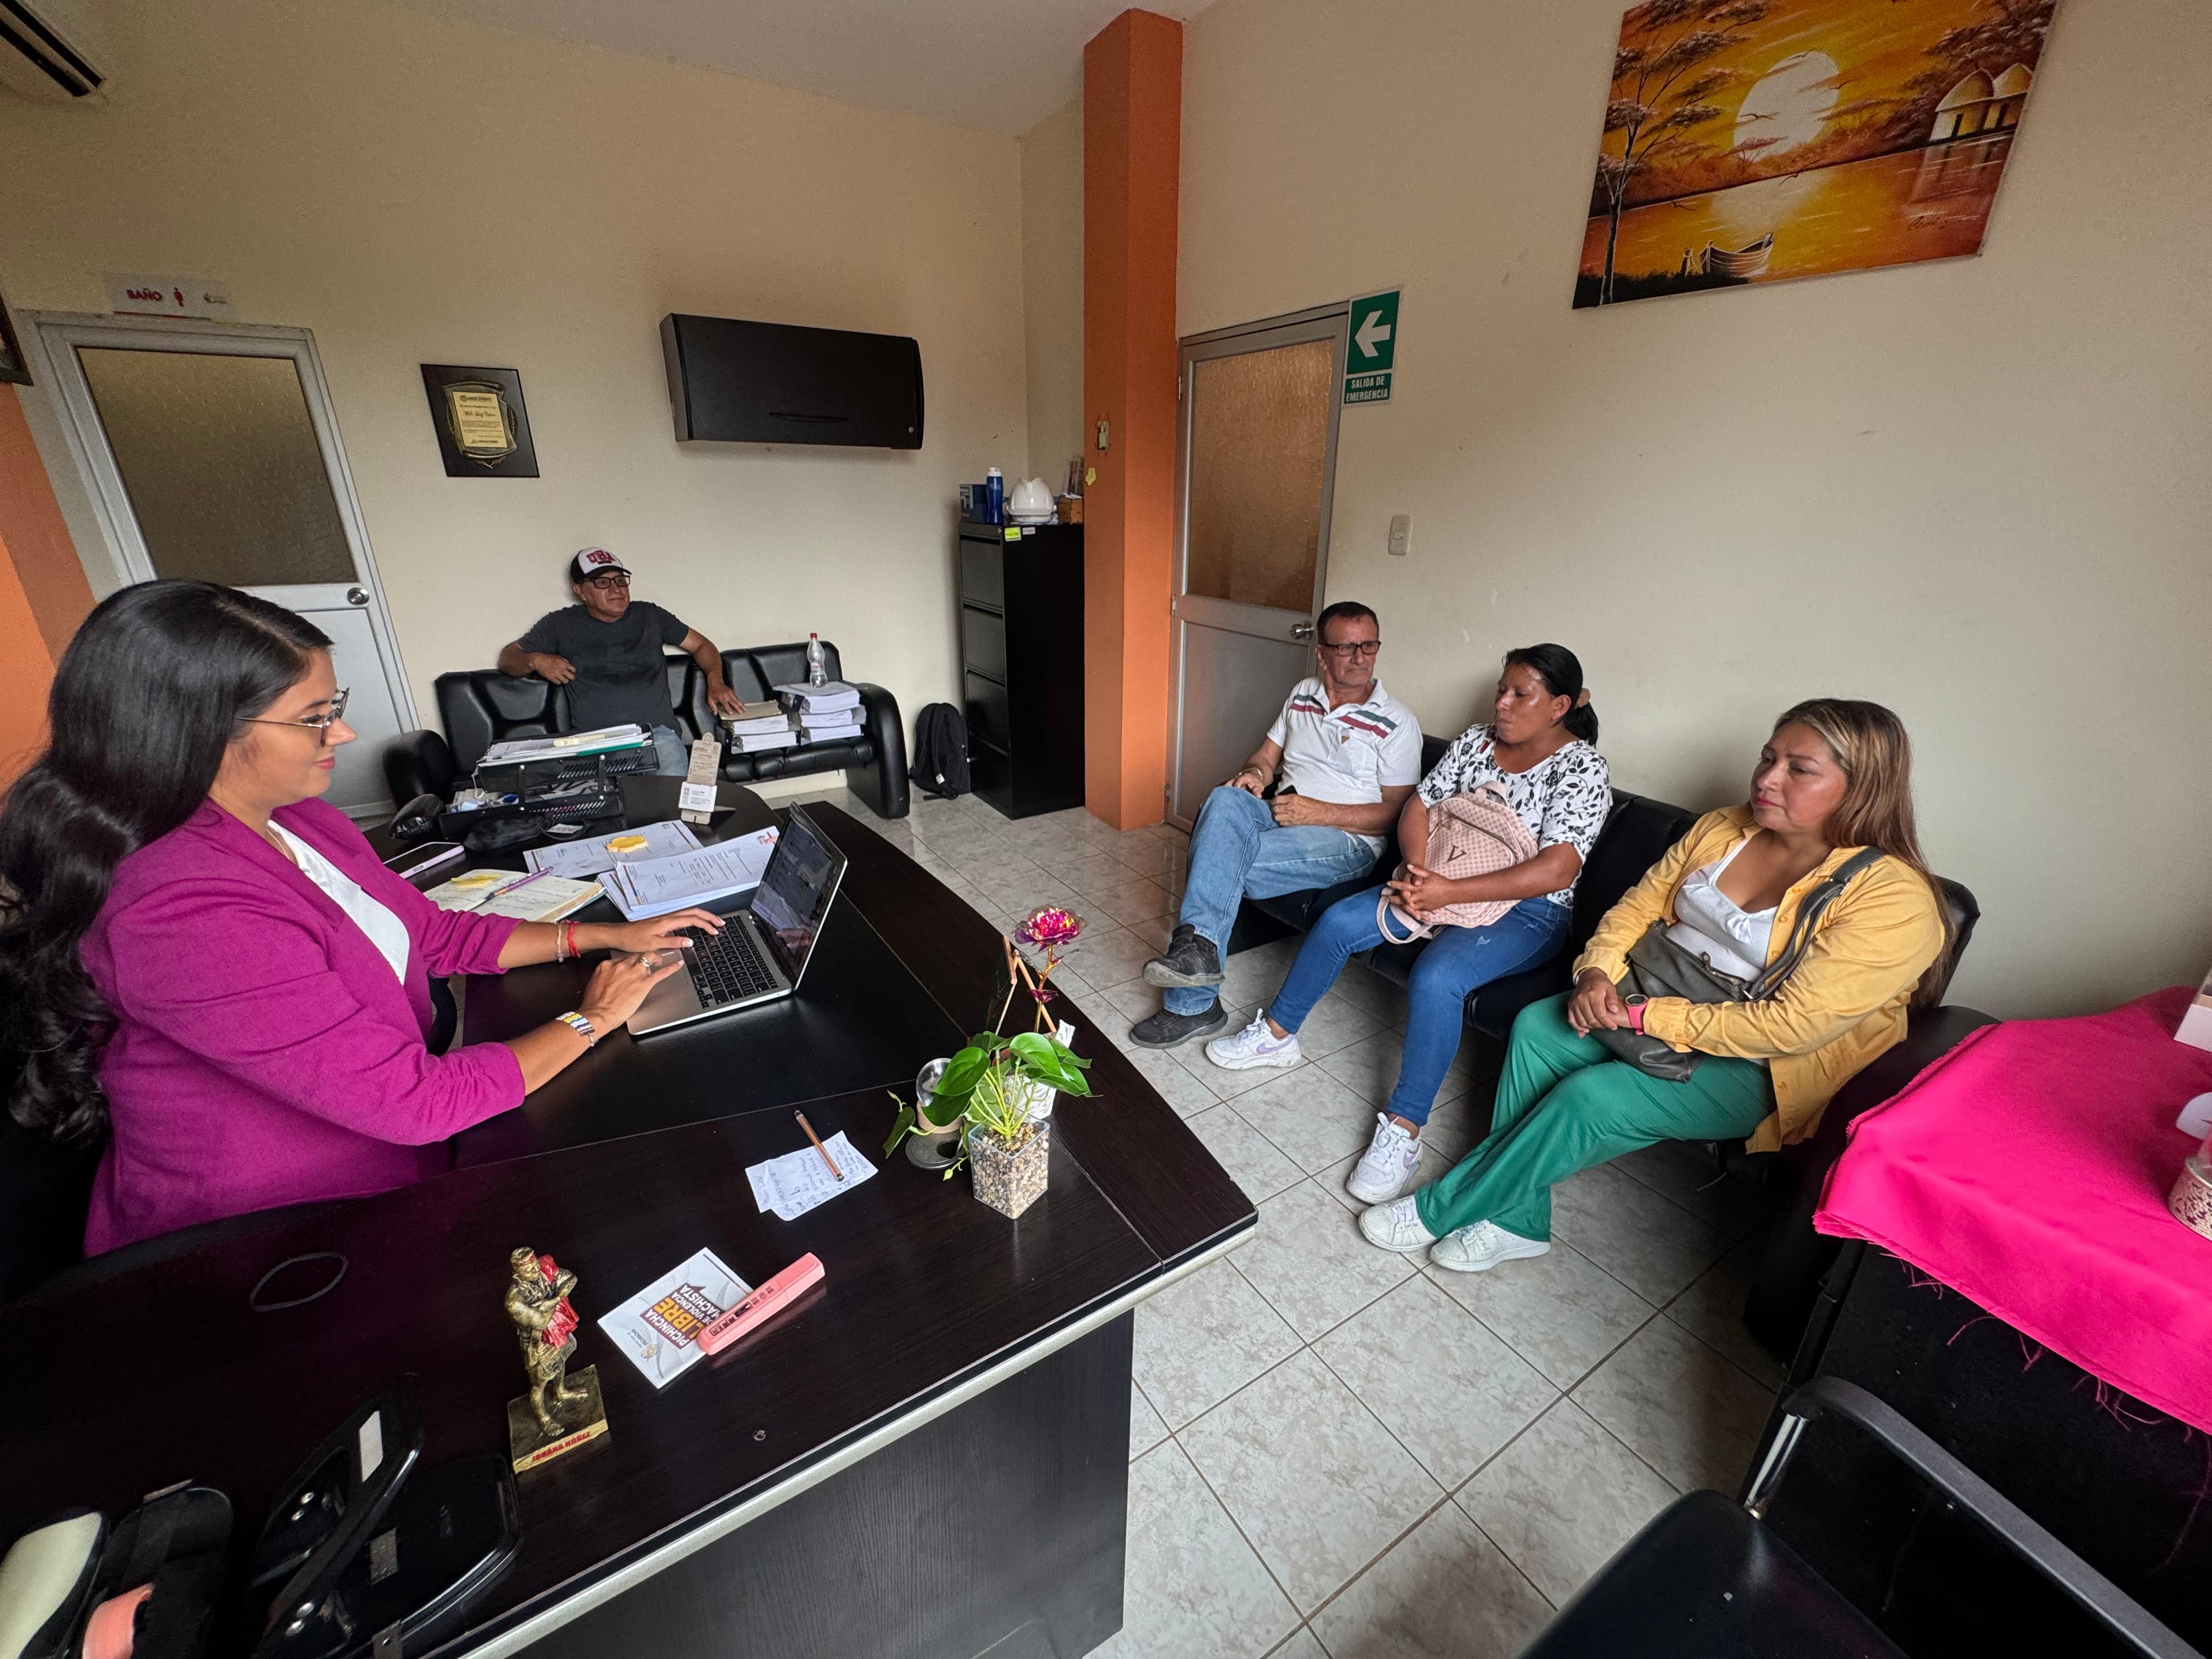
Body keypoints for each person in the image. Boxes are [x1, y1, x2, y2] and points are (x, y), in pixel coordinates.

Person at [0, 580, 727, 1256]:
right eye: (314, 718)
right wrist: (591, 1019)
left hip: (389, 1154)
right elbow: (414, 1103)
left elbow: (434, 934)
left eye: (334, 706)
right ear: (196, 733)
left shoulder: (299, 820)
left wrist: (606, 933)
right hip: (273, 1236)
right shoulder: (179, 907)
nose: (342, 734)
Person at [1358, 699, 1950, 1274]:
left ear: (1861, 789)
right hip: (1650, 993)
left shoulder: (1893, 900)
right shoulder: (1725, 827)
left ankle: (1442, 1208)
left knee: (1592, 1098)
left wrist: (1643, 1016)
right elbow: (1637, 907)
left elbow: (1792, 1027)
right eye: (1769, 758)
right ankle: (1517, 1222)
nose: (1768, 779)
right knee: (1539, 1026)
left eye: (1800, 769)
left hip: (1765, 1063)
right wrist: (1596, 973)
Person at [1207, 645, 1612, 1204]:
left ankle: (1404, 1128)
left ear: (1560, 706)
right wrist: (1421, 875)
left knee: (1437, 977)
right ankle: (1277, 1035)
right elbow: (1419, 807)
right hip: (1439, 874)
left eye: (1521, 694)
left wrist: (1449, 893)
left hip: (1528, 910)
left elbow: (1557, 869)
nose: (1502, 702)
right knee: (1339, 920)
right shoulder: (1476, 742)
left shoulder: (1582, 768)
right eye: (1502, 689)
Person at [1129, 601, 1421, 1050]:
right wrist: (1256, 775)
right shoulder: (1302, 694)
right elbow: (1266, 756)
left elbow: (1400, 812)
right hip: (1282, 815)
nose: (1360, 657)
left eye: (1369, 645)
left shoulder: (1397, 723)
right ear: (1322, 653)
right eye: (1346, 648)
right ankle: (1198, 955)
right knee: (1224, 799)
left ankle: (1191, 1003)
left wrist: (1317, 812)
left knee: (1218, 859)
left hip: (1347, 841)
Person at [497, 547, 745, 775]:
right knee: (584, 805)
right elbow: (508, 658)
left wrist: (716, 681)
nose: (616, 589)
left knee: (670, 799)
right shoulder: (560, 625)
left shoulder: (650, 615)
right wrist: (536, 661)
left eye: (620, 580)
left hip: (655, 738)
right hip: (594, 744)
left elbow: (702, 645)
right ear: (580, 591)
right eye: (602, 583)